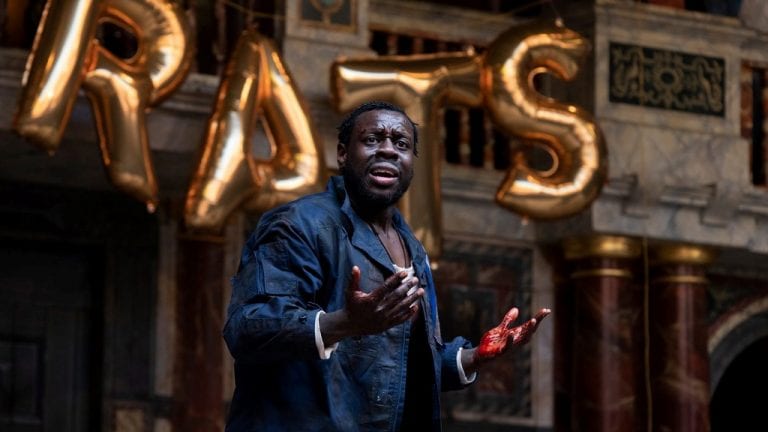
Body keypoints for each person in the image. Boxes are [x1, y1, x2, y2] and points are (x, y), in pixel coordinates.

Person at [223, 100, 550, 431]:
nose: (389, 150)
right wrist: (344, 323)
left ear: (411, 163)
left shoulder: (412, 248)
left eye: (401, 144)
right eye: (372, 139)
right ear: (342, 154)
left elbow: (401, 365)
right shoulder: (299, 224)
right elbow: (248, 327)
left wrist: (473, 357)